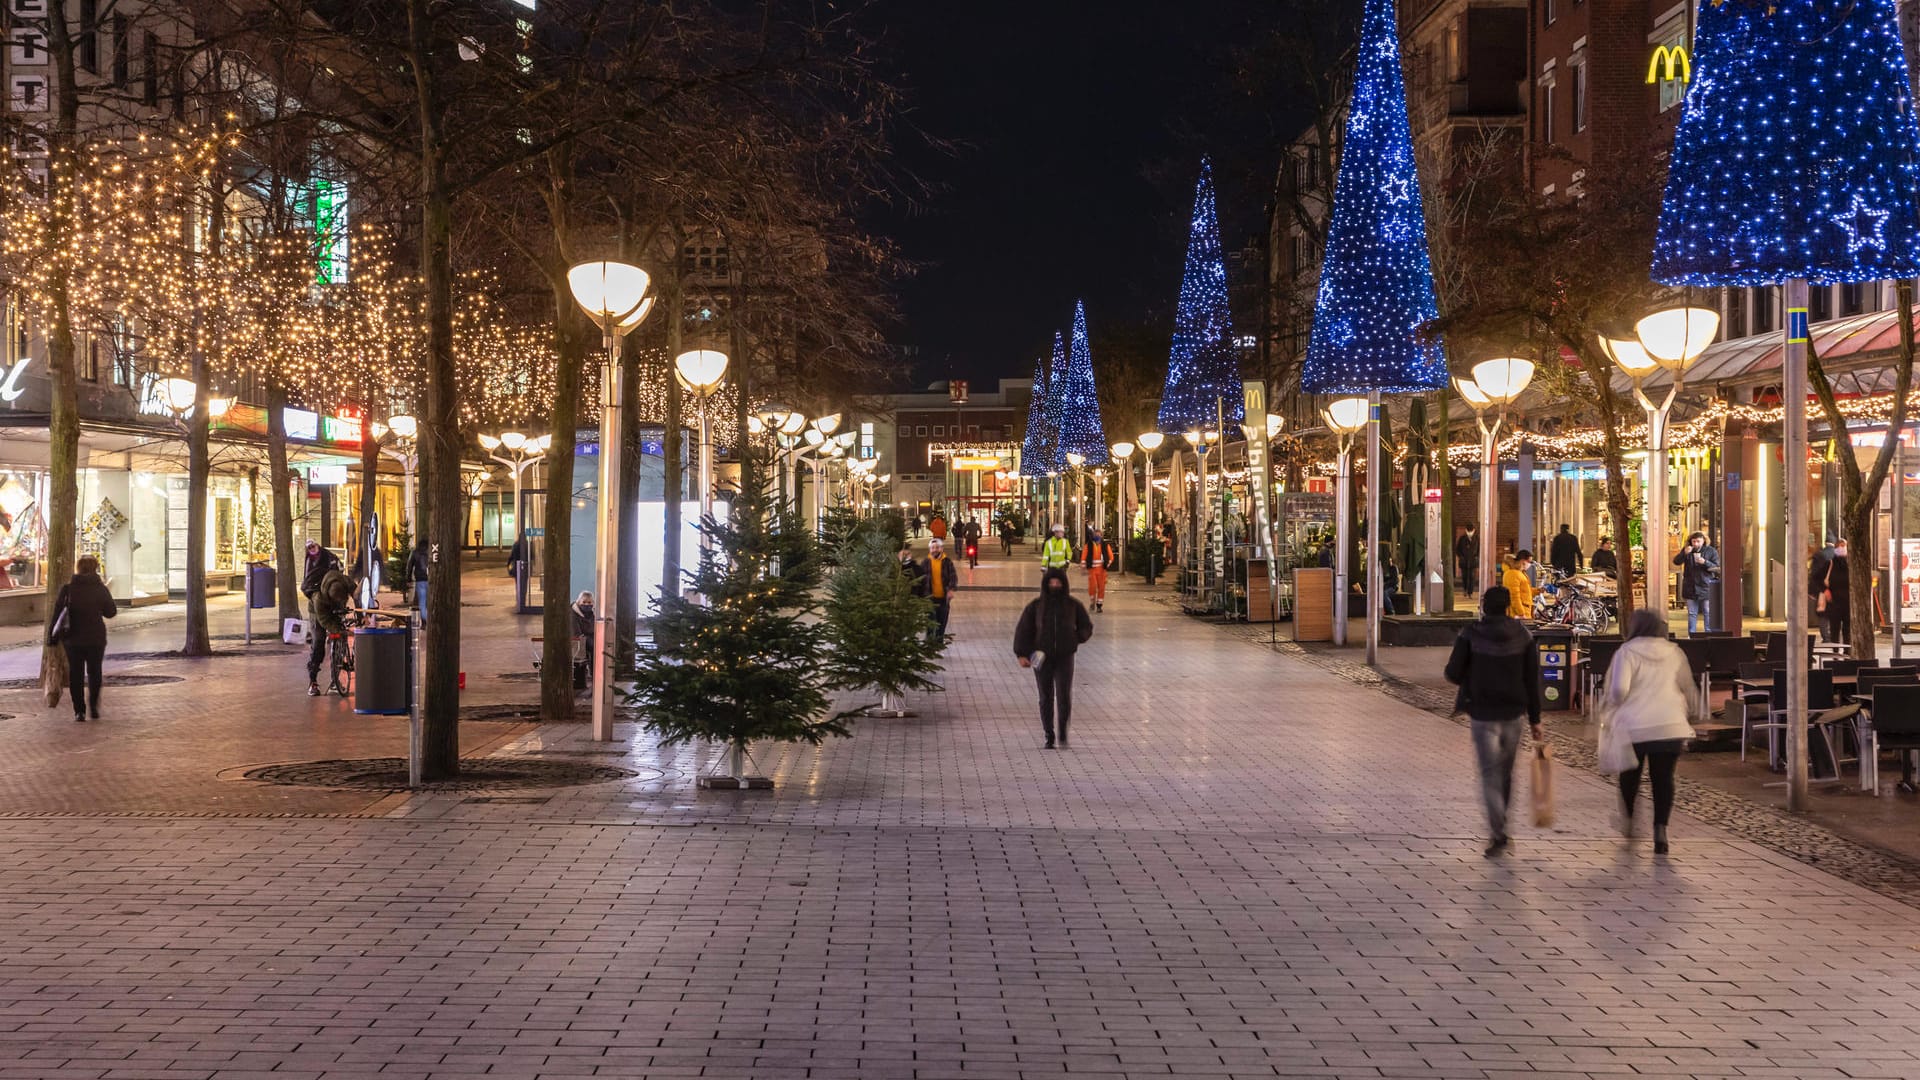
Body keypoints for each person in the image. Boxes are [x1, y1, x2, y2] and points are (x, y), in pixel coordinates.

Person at [1443, 586, 1545, 856]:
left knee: (1489, 774)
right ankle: (1502, 825)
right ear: (1508, 606)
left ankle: (1497, 831)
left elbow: (1452, 673)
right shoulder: (1523, 636)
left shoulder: (1470, 634)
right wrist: (1536, 719)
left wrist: (1471, 674)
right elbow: (1532, 681)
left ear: (1485, 606)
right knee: (1506, 772)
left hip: (1483, 713)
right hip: (1514, 714)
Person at [1601, 608, 1698, 855]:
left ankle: (1630, 823)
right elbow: (1688, 686)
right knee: (1663, 779)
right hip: (1670, 724)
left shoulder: (1627, 652)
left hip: (1635, 726)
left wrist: (1610, 707)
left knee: (1630, 777)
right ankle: (1661, 830)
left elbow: (1618, 691)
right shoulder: (1674, 652)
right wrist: (1693, 711)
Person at [1013, 566, 1094, 749]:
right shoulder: (1036, 607)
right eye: (1051, 582)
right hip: (1040, 656)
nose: (1055, 585)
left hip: (1065, 656)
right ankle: (1048, 734)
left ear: (1064, 584)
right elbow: (1024, 630)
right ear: (1046, 584)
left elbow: (1086, 626)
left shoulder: (1073, 605)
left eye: (1058, 582)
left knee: (1064, 695)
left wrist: (1076, 639)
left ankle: (1063, 732)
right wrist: (1022, 654)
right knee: (1045, 696)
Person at [49, 555, 116, 721]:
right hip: (96, 638)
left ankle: (79, 711)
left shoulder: (68, 589)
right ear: (95, 568)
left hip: (72, 639)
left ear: (78, 568)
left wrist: (52, 637)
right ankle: (93, 707)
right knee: (95, 672)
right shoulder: (100, 589)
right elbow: (111, 612)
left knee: (76, 674)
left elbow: (57, 614)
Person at [307, 564, 357, 697]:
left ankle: (336, 678)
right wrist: (338, 630)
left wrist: (363, 615)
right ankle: (313, 681)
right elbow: (324, 620)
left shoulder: (346, 582)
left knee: (340, 635)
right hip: (318, 614)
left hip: (336, 609)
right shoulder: (319, 598)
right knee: (318, 642)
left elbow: (358, 595)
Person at [1674, 531, 1721, 635]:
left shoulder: (1711, 551)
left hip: (1706, 585)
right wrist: (1684, 553)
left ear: (1703, 541)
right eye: (1693, 541)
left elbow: (1717, 568)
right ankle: (1692, 634)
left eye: (1698, 541)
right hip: (1690, 586)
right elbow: (1676, 562)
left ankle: (1709, 634)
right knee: (1692, 613)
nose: (1695, 544)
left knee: (1707, 612)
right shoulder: (1687, 550)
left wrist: (1705, 562)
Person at [1812, 536, 1850, 643]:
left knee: (1847, 631)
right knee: (1835, 630)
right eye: (1840, 546)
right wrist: (1825, 590)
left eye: (1844, 546)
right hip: (1834, 603)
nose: (1842, 549)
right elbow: (1816, 578)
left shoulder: (1850, 564)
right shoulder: (1830, 564)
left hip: (1848, 603)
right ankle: (1835, 654)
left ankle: (1847, 654)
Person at [922, 536, 959, 643]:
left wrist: (951, 590)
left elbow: (953, 577)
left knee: (942, 621)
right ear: (930, 550)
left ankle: (939, 641)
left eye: (937, 547)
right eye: (933, 548)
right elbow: (920, 579)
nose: (935, 550)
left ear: (942, 549)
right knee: (930, 621)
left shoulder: (947, 562)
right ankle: (928, 642)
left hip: (943, 598)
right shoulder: (925, 562)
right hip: (929, 598)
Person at [300, 539, 342, 605]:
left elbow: (334, 568)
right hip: (314, 582)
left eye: (313, 546)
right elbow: (307, 572)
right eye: (309, 548)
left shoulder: (326, 554)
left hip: (325, 579)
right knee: (304, 587)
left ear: (317, 545)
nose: (312, 549)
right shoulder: (309, 558)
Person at [1083, 528, 1115, 613]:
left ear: (1101, 536)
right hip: (1092, 570)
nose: (1097, 536)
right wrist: (1083, 566)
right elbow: (1084, 556)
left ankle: (1099, 605)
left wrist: (1107, 564)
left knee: (1101, 588)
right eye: (1096, 534)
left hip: (1102, 571)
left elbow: (1111, 557)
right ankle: (1092, 600)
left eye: (1099, 534)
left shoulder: (1105, 545)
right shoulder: (1089, 545)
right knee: (1092, 587)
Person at [570, 591, 594, 689]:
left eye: (589, 602)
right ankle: (595, 674)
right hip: (578, 641)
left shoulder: (592, 613)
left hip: (588, 639)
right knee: (595, 648)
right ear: (579, 602)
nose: (586, 605)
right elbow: (576, 632)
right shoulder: (573, 614)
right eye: (584, 602)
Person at [1503, 550, 1536, 620]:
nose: (1529, 564)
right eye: (1529, 562)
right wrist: (1521, 613)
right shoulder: (1513, 574)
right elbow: (1514, 596)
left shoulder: (1520, 573)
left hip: (1524, 612)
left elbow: (1525, 592)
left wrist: (1539, 590)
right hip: (1518, 615)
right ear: (1522, 561)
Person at [408, 542, 431, 626]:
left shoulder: (415, 552)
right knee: (430, 601)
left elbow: (410, 565)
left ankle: (424, 621)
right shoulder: (431, 551)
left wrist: (408, 578)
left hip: (420, 580)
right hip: (430, 580)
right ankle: (430, 619)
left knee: (422, 601)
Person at [507, 531, 530, 611]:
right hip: (526, 567)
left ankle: (519, 600)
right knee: (524, 584)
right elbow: (531, 556)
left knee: (518, 584)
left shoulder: (516, 544)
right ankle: (523, 600)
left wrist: (508, 565)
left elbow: (511, 556)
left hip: (517, 567)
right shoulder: (528, 545)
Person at [1455, 525, 1479, 597]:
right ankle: (1465, 589)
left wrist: (1476, 556)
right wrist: (1461, 556)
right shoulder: (1462, 539)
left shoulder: (1477, 539)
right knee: (1465, 576)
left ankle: (1470, 592)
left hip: (1473, 561)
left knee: (1472, 577)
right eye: (1468, 531)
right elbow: (1457, 549)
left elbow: (1479, 549)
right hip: (1464, 561)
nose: (1470, 533)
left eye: (1471, 531)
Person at [1378, 544, 1400, 616]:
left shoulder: (1394, 568)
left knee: (1385, 593)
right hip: (1386, 586)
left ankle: (1391, 610)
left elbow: (1394, 580)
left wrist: (1385, 584)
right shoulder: (1384, 568)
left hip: (1392, 587)